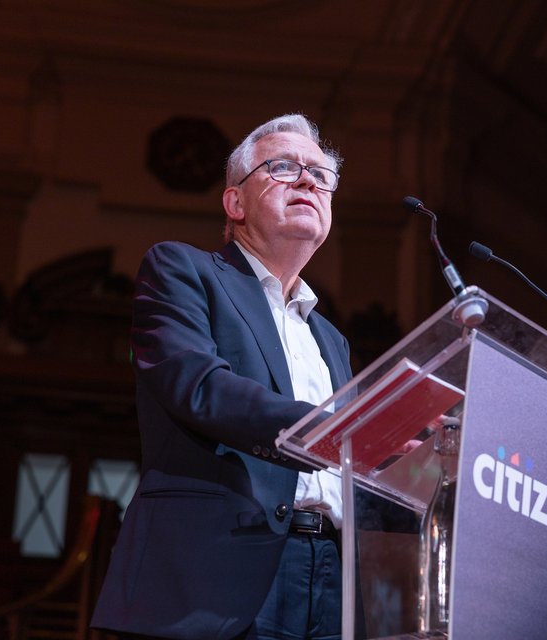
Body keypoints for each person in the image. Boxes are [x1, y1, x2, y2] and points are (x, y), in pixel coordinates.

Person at [91, 114, 353, 640]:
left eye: (320, 175)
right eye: (284, 167)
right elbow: (198, 386)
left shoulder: (332, 338)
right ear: (234, 203)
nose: (307, 181)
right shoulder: (182, 270)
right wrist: (331, 429)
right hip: (212, 574)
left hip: (332, 579)